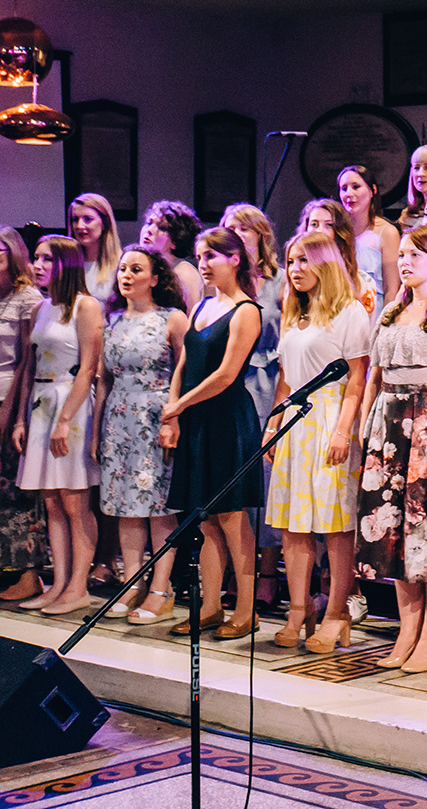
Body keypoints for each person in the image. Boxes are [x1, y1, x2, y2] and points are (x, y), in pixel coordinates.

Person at [356, 226, 427, 673]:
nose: (405, 261)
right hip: (390, 427)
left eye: (417, 254)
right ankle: (407, 629)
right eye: (402, 253)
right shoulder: (390, 311)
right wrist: (368, 431)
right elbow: (374, 375)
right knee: (395, 533)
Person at [265, 231, 371, 654]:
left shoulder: (349, 312)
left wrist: (343, 429)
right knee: (294, 526)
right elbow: (286, 378)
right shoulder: (294, 314)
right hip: (295, 421)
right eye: (291, 262)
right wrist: (273, 425)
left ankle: (337, 613)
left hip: (329, 419)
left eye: (303, 261)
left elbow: (357, 378)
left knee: (334, 526)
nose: (295, 270)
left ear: (325, 264)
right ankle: (298, 608)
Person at [161, 228, 263, 638]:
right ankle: (209, 606)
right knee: (204, 519)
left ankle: (246, 608)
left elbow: (226, 375)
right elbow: (184, 363)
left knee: (232, 516)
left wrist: (180, 405)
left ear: (234, 259)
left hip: (226, 418)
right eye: (200, 257)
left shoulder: (247, 310)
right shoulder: (201, 304)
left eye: (211, 256)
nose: (202, 264)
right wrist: (173, 412)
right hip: (197, 419)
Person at [11, 235, 103, 615]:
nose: (38, 264)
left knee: (74, 499)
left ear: (66, 263)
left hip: (72, 402)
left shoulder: (86, 306)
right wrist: (20, 418)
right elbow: (31, 365)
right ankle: (59, 582)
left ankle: (78, 585)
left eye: (47, 258)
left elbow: (89, 366)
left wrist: (65, 420)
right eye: (35, 257)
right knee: (51, 501)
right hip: (41, 403)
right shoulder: (41, 308)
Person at [96, 245, 187, 623]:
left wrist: (173, 417)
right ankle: (132, 582)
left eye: (136, 269)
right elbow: (103, 378)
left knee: (157, 506)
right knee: (124, 506)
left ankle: (161, 589)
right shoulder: (113, 320)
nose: (127, 275)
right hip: (119, 418)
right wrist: (97, 427)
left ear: (154, 278)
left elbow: (185, 369)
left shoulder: (172, 318)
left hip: (155, 415)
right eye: (123, 269)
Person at [219, 203, 287, 615]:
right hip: (231, 382)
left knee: (263, 478)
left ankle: (266, 572)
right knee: (231, 479)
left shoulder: (277, 279)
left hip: (266, 380)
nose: (239, 236)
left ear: (261, 236)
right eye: (231, 230)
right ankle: (231, 569)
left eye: (246, 230)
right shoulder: (227, 284)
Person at [0, 228, 44, 602]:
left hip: (10, 397)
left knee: (14, 491)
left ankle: (27, 572)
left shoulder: (28, 298)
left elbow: (27, 361)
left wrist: (11, 412)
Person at [300, 198, 378, 314]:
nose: (320, 230)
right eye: (314, 224)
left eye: (329, 225)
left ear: (340, 232)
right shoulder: (297, 276)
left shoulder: (363, 282)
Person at [339, 164, 401, 302]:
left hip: (374, 312)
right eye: (344, 188)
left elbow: (391, 289)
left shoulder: (388, 233)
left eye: (356, 187)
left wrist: (383, 323)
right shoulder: (337, 232)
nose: (349, 193)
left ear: (372, 190)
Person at [140, 200, 204, 306]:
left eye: (162, 228)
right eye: (149, 223)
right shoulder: (149, 268)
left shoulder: (184, 274)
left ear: (175, 241)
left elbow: (190, 319)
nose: (150, 230)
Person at [68, 193, 122, 303]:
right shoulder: (66, 264)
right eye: (75, 219)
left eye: (88, 219)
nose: (79, 226)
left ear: (104, 223)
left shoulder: (121, 264)